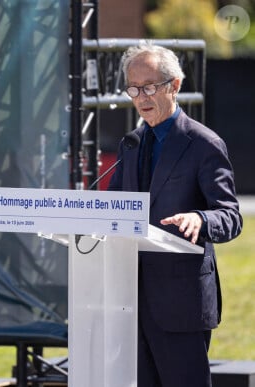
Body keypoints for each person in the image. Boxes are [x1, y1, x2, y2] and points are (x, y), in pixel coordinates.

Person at [107, 42, 243, 386]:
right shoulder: (132, 144)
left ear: (175, 85)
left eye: (150, 87)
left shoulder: (202, 143)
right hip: (132, 304)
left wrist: (201, 218)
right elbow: (112, 209)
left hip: (180, 304)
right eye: (133, 89)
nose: (141, 97)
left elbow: (231, 216)